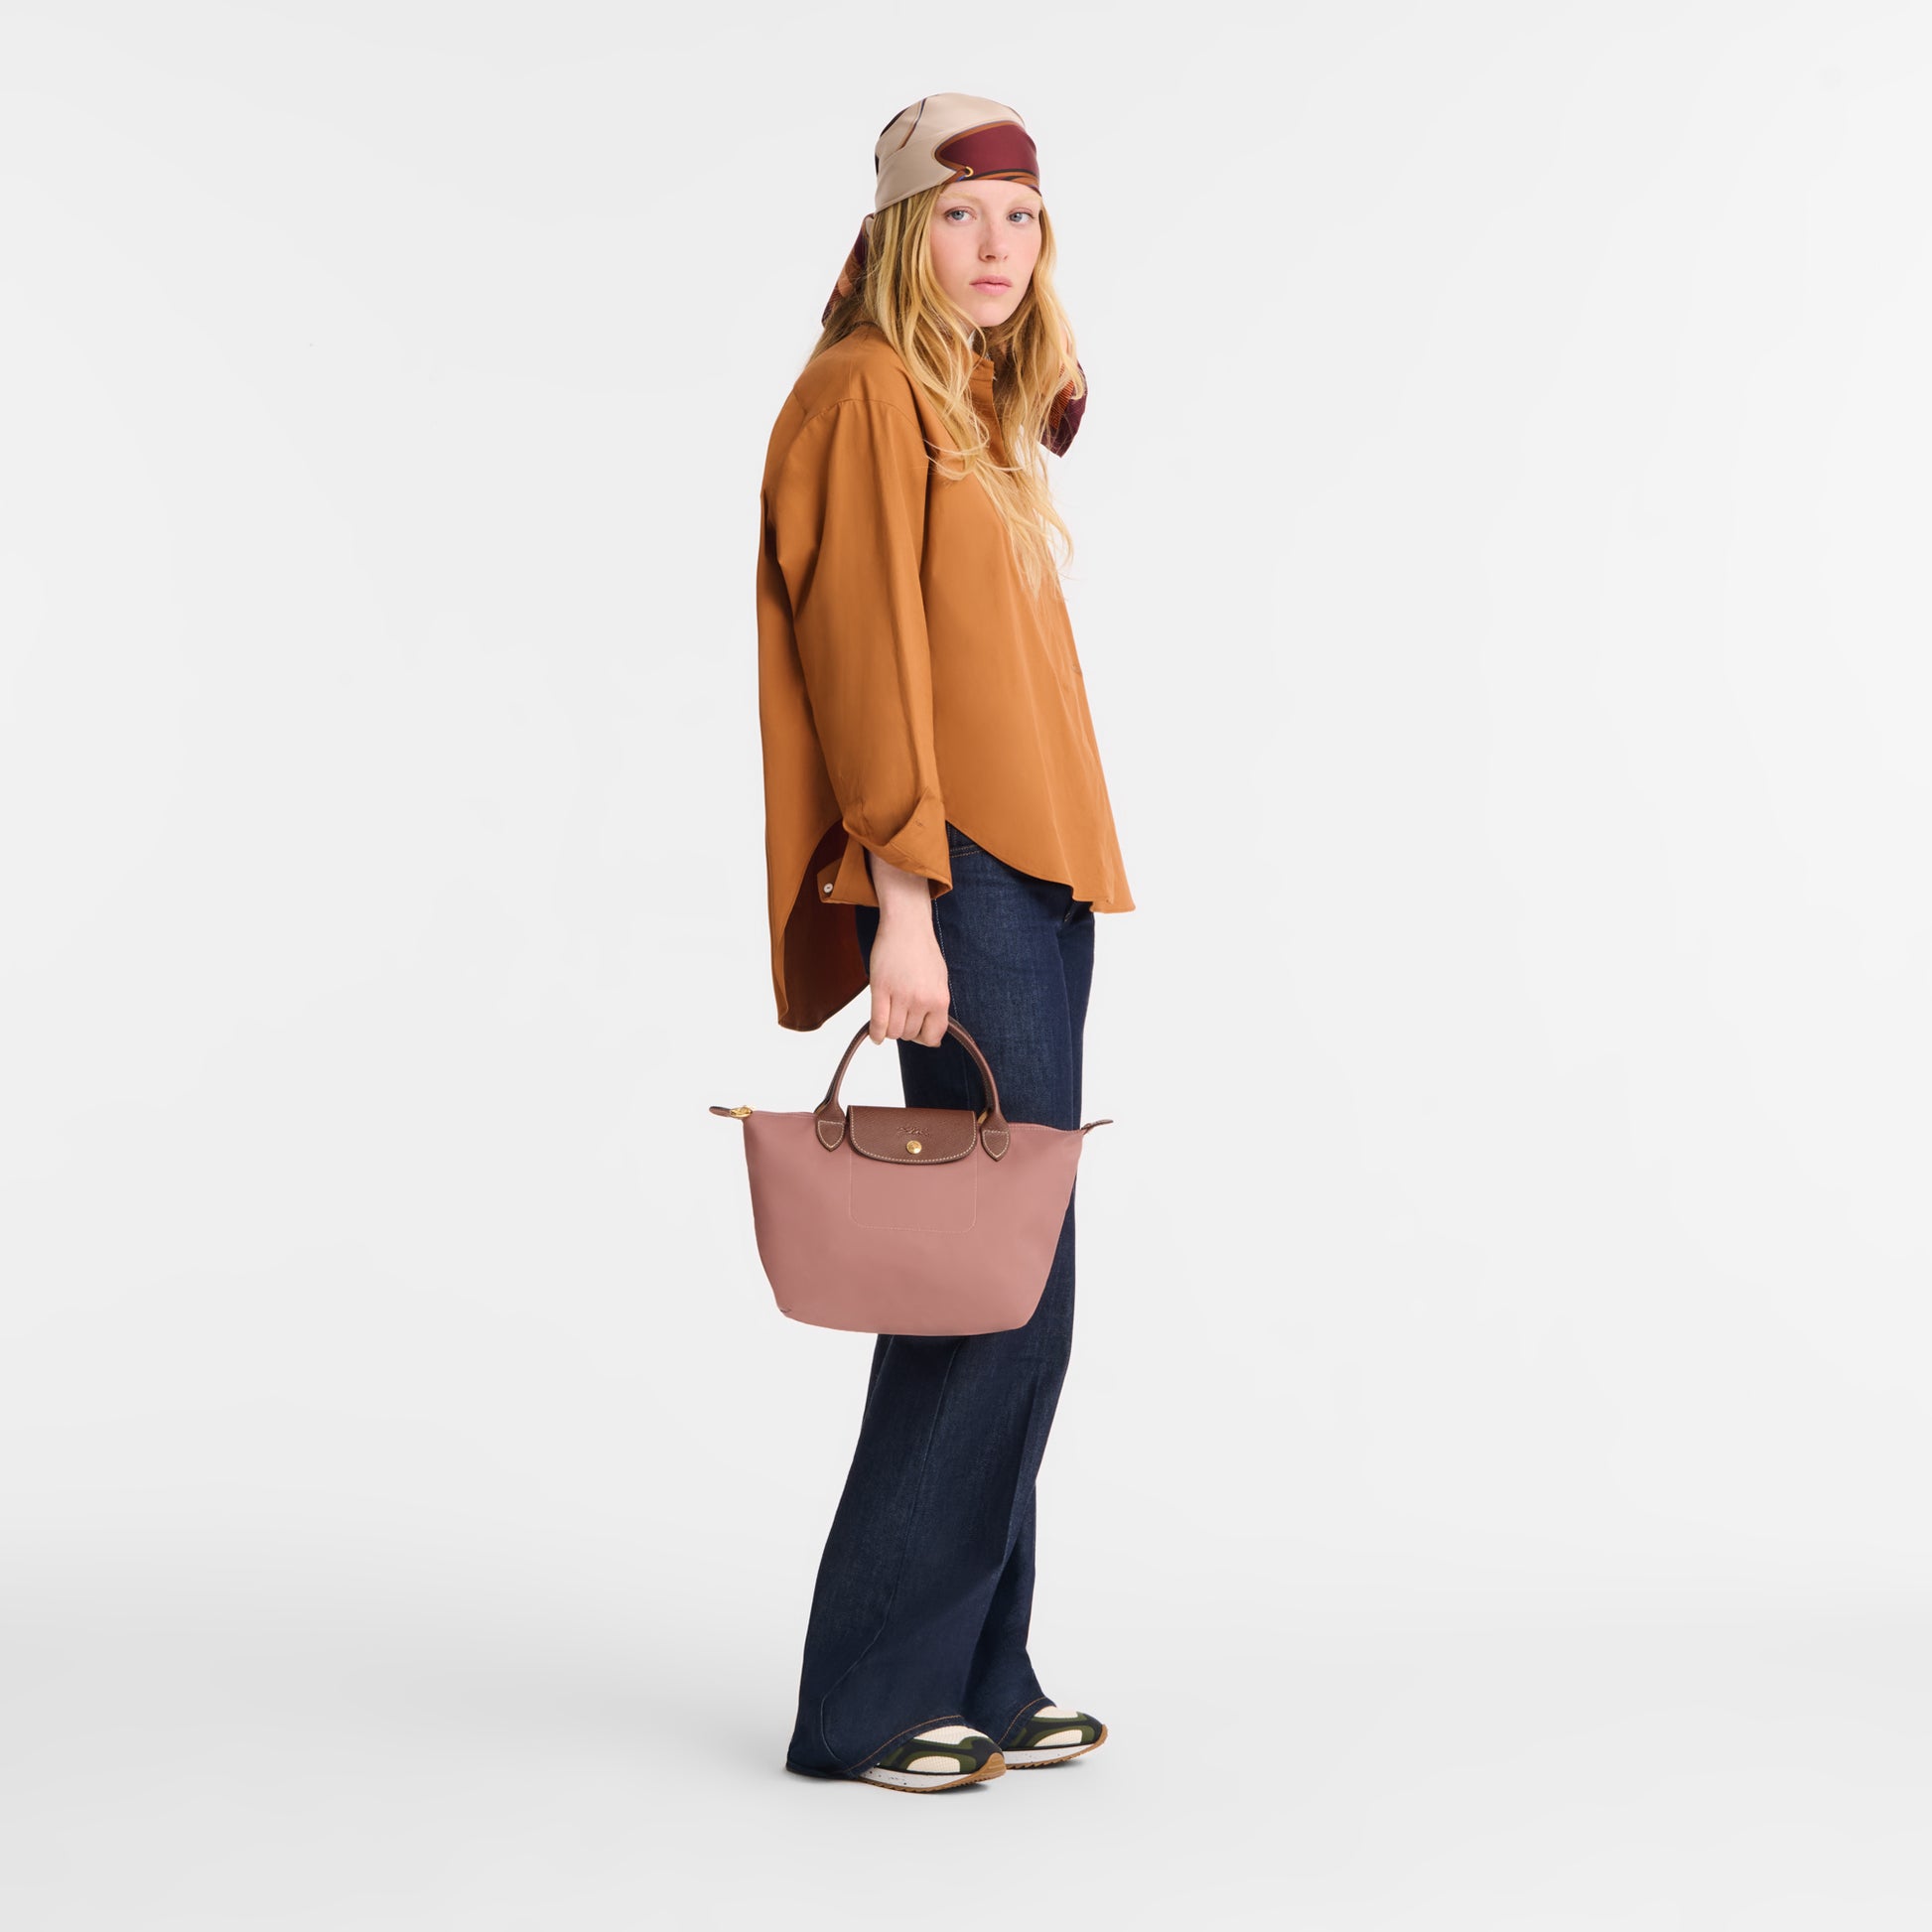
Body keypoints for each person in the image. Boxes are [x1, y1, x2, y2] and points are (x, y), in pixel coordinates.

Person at [753, 92, 1136, 1793]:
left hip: (1035, 877)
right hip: (954, 873)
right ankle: (867, 1695)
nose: (996, 248)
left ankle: (980, 1661)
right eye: (962, 216)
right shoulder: (860, 392)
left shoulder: (969, 403)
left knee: (1019, 1281)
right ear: (903, 231)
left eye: (1021, 217)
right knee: (985, 1286)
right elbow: (860, 657)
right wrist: (899, 899)